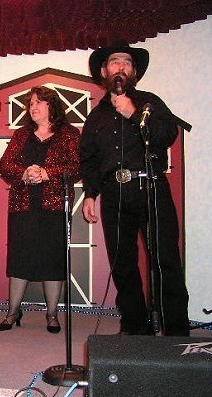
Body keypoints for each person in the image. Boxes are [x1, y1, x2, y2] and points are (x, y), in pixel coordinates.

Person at [80, 42, 189, 336]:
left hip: (150, 186)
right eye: (115, 62)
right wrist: (90, 193)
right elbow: (89, 159)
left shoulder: (150, 102)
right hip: (115, 194)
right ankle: (135, 327)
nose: (121, 67)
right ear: (104, 72)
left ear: (134, 72)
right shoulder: (95, 116)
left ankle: (175, 331)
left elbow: (168, 134)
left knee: (165, 258)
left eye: (127, 63)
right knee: (122, 263)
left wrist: (134, 113)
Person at [0, 86, 81, 334]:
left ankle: (52, 315)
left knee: (52, 261)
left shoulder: (69, 134)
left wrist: (47, 173)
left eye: (38, 102)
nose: (32, 107)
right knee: (20, 259)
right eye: (30, 103)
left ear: (51, 106)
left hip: (54, 206)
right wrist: (24, 173)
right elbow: (5, 165)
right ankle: (13, 313)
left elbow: (76, 166)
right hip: (23, 205)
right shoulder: (21, 135)